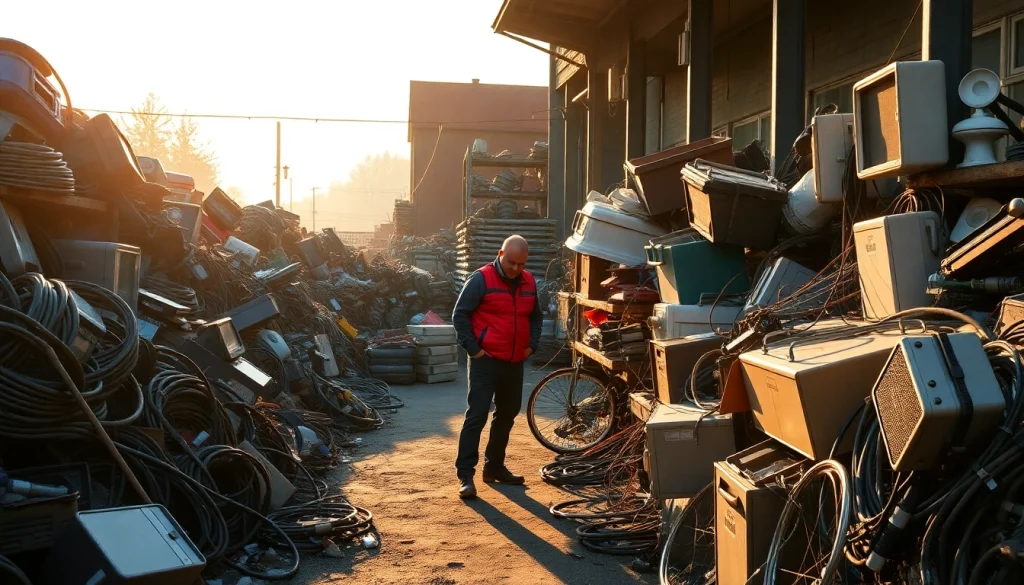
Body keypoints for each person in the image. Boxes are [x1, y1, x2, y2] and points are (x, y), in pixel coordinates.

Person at [451, 234, 542, 499]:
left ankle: (494, 467)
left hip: (514, 362)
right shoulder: (481, 279)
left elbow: (536, 316)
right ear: (500, 254)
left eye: (521, 264)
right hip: (485, 360)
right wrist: (473, 349)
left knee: (507, 414)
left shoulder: (528, 282)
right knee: (477, 415)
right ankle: (466, 475)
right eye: (512, 262)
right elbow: (460, 314)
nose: (516, 269)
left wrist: (532, 345)